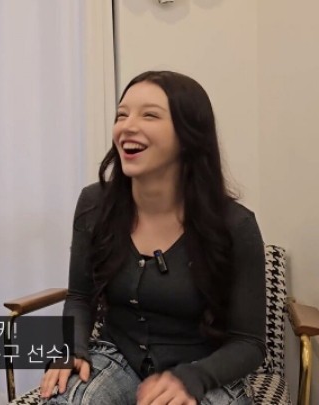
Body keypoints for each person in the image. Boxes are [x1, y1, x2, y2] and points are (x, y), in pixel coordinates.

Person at [40, 71, 266, 405]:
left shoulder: (236, 225)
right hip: (118, 356)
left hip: (204, 370)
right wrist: (72, 348)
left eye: (149, 115)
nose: (127, 126)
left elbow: (250, 343)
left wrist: (194, 378)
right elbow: (79, 297)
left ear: (188, 135)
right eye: (122, 115)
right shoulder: (94, 204)